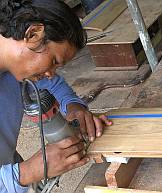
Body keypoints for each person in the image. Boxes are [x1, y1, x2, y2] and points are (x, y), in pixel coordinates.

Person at [0, 0, 112, 192]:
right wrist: (26, 173)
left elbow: (53, 84)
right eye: (53, 61)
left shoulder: (14, 69)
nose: (51, 73)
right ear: (33, 34)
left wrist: (74, 107)